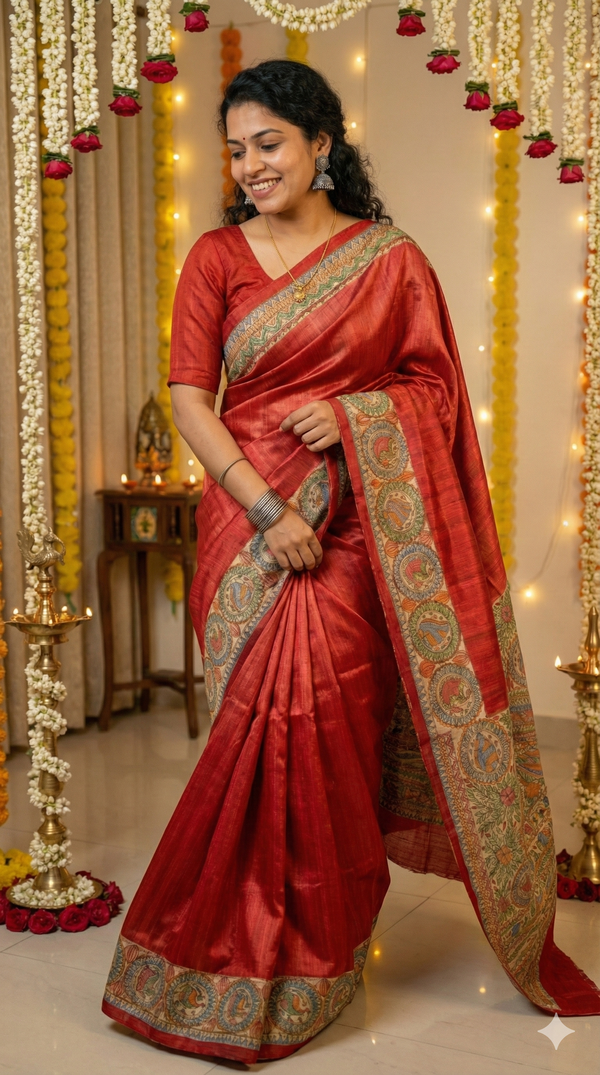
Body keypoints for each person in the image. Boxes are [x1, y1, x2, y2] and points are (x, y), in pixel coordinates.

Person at [103, 59, 600, 1062]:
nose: (251, 166)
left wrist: (351, 414)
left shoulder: (390, 258)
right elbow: (192, 399)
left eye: (269, 144)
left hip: (356, 534)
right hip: (253, 527)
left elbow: (435, 396)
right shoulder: (215, 258)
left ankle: (317, 949)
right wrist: (265, 504)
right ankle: (208, 952)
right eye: (236, 150)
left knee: (323, 727)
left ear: (323, 142)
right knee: (256, 724)